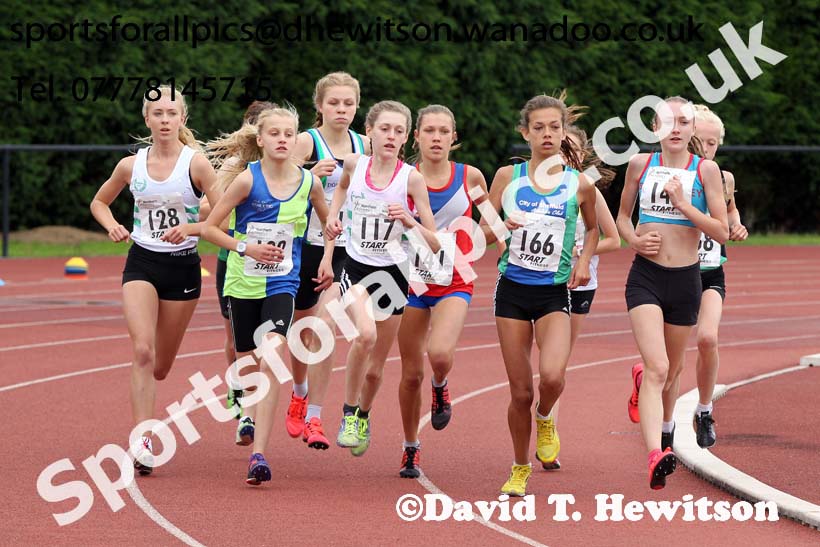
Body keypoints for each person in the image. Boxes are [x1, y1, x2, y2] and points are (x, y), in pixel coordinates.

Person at [90, 86, 220, 475]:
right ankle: (143, 439)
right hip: (142, 263)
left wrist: (192, 226)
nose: (165, 120)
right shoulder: (130, 166)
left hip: (182, 268)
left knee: (161, 366)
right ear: (147, 119)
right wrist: (112, 225)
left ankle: (147, 417)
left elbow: (223, 214)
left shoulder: (197, 165)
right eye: (158, 114)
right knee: (143, 352)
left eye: (171, 113)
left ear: (183, 119)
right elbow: (99, 201)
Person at [201, 105, 333, 484]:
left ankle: (258, 454)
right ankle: (247, 412)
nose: (282, 140)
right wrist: (247, 248)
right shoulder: (247, 180)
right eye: (274, 134)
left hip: (282, 282)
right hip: (242, 282)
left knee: (272, 355)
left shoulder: (310, 183)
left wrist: (327, 258)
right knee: (248, 363)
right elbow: (210, 229)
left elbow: (328, 225)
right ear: (260, 139)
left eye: (289, 134)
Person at [488, 94, 599, 496]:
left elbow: (594, 229)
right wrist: (501, 228)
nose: (547, 134)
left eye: (555, 127)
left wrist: (583, 261)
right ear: (525, 133)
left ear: (564, 131)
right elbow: (480, 233)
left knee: (552, 377)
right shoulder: (507, 177)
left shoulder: (579, 183)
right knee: (520, 392)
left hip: (554, 293)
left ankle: (546, 416)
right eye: (539, 128)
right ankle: (520, 467)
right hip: (513, 292)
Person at [617, 96, 728, 489]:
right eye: (668, 121)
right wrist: (633, 240)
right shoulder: (639, 165)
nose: (676, 128)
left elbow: (721, 230)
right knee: (659, 368)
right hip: (645, 277)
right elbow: (622, 218)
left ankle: (665, 427)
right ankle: (655, 453)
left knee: (673, 369)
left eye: (683, 121)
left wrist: (683, 204)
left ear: (692, 128)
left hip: (685, 281)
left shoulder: (706, 170)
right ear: (655, 128)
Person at [324, 100, 440, 457]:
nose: (391, 136)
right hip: (356, 268)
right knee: (365, 335)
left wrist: (408, 220)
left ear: (406, 138)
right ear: (369, 131)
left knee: (375, 370)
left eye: (399, 131)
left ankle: (363, 415)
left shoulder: (411, 179)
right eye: (385, 129)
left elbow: (434, 242)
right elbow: (341, 189)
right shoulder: (353, 164)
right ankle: (348, 414)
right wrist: (333, 216)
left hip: (393, 276)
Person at [396, 104, 490, 478]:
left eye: (444, 131)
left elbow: (492, 227)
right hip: (408, 282)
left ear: (454, 137)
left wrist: (469, 243)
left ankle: (441, 384)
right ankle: (410, 447)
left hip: (454, 279)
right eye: (430, 131)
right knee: (409, 374)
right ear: (416, 136)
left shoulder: (470, 177)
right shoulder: (402, 178)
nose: (436, 138)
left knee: (438, 354)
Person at [285, 72, 371, 449]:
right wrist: (307, 175)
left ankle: (316, 417)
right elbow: (278, 184)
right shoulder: (307, 141)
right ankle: (300, 391)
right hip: (306, 246)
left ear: (357, 106)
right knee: (303, 331)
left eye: (348, 103)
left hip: (346, 250)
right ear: (319, 105)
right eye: (334, 103)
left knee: (325, 324)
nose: (341, 109)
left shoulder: (365, 144)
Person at [538, 124, 621, 470]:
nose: (563, 154)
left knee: (555, 366)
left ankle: (548, 428)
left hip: (576, 284)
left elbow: (613, 239)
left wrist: (580, 253)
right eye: (559, 147)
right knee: (536, 363)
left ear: (580, 155)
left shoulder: (588, 190)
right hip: (534, 281)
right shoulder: (531, 188)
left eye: (570, 149)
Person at [204, 100, 276, 446]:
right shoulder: (235, 165)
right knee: (236, 340)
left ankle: (252, 409)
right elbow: (208, 208)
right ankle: (237, 383)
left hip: (274, 264)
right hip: (233, 258)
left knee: (268, 342)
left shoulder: (287, 162)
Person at [690, 105, 748, 447]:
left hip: (711, 272)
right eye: (700, 141)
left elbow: (730, 211)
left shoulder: (724, 178)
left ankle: (704, 410)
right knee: (664, 360)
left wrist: (737, 225)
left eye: (712, 143)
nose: (706, 149)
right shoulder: (670, 175)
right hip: (674, 272)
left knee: (707, 339)